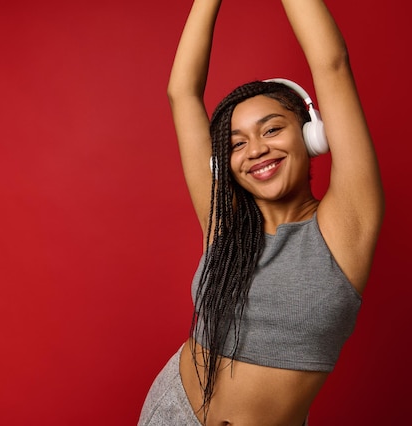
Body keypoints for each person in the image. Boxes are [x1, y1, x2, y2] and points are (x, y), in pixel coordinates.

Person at [138, 0, 384, 425]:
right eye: (235, 143)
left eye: (272, 129)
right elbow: (182, 93)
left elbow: (332, 64)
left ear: (313, 137)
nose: (255, 150)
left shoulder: (346, 226)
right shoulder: (224, 226)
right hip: (171, 411)